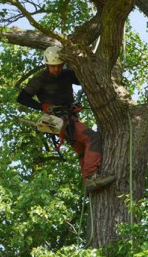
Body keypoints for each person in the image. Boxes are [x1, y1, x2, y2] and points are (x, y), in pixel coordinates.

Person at [17, 46, 115, 193]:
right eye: (53, 67)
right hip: (58, 120)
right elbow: (22, 97)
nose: (56, 70)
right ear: (46, 65)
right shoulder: (40, 79)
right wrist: (42, 106)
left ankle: (88, 184)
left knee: (82, 149)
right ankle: (91, 178)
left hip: (69, 117)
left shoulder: (67, 74)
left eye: (59, 66)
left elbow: (85, 79)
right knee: (93, 138)